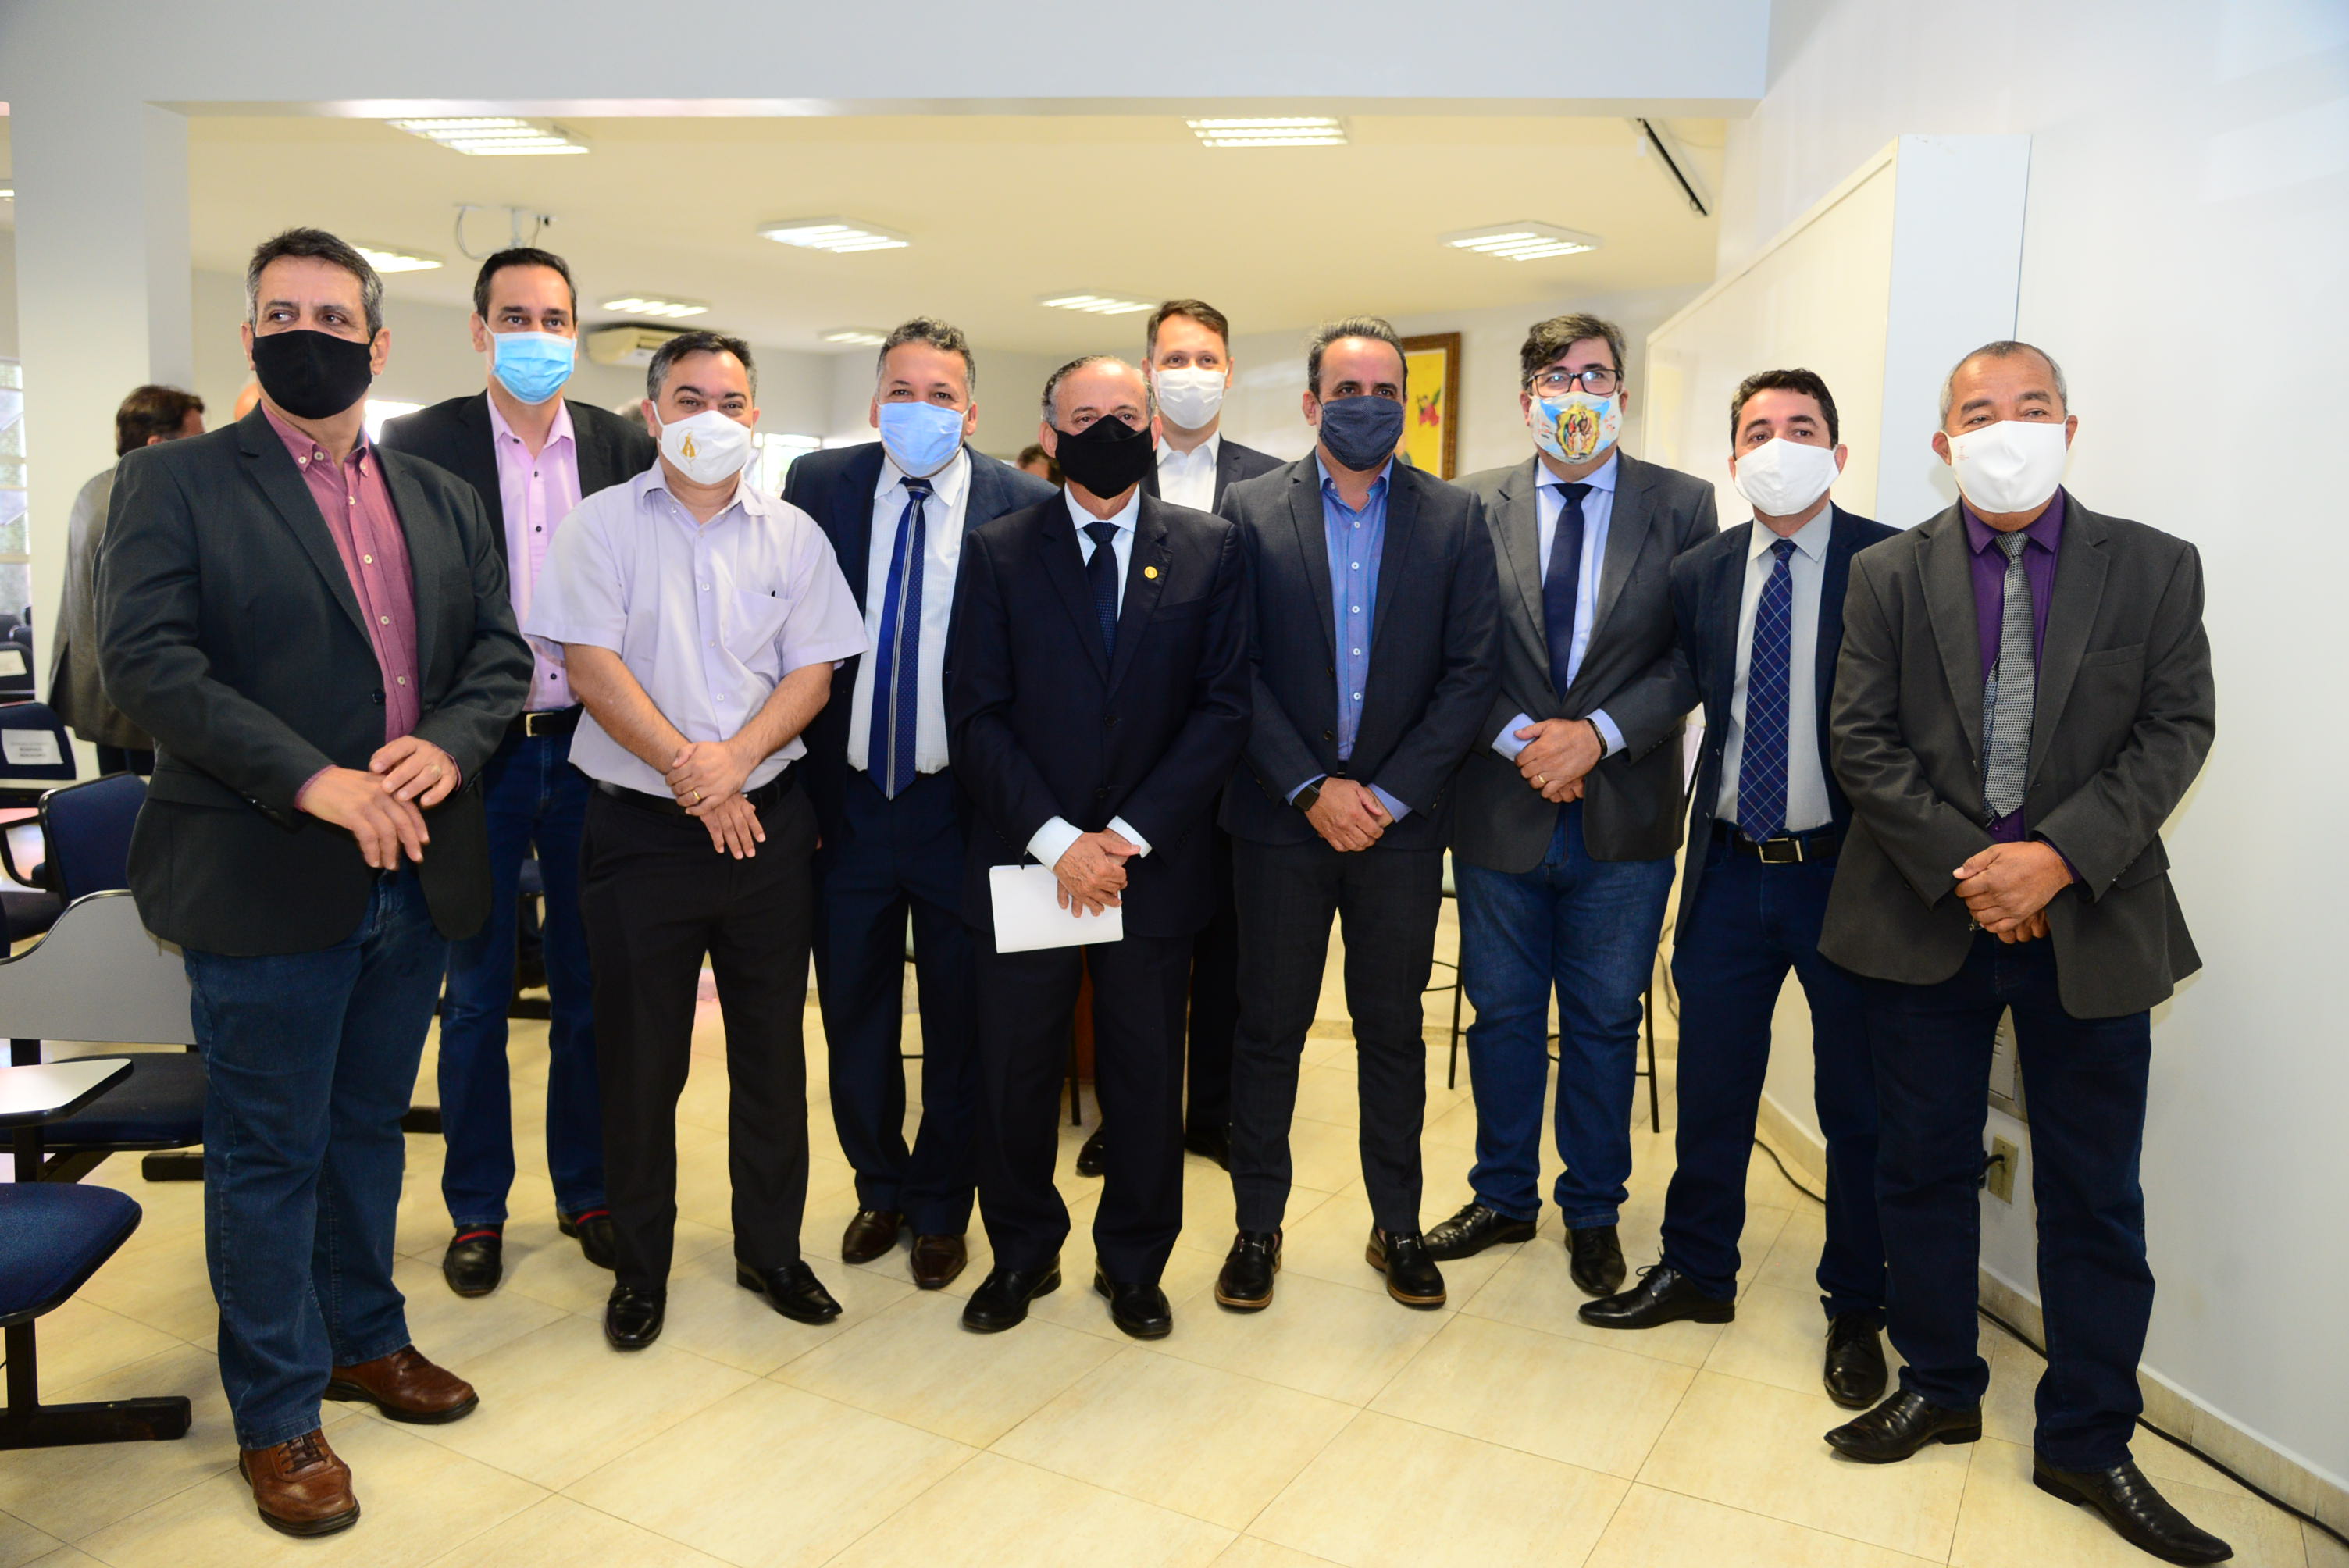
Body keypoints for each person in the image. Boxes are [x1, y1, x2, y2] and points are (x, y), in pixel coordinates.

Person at [99, 227, 529, 1537]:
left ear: (377, 344)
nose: (308, 334)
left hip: (415, 870)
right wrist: (312, 779)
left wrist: (446, 746)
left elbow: (500, 659)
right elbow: (150, 664)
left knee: (364, 1129)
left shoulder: (439, 497)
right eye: (281, 314)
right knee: (269, 1152)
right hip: (266, 868)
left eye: (334, 317)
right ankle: (279, 1410)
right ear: (248, 336)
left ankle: (365, 1338)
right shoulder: (173, 483)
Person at [1820, 342, 2226, 1566]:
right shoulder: (1887, 574)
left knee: (2096, 1195)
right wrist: (1978, 871)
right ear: (1943, 442)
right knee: (1920, 1169)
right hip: (1923, 917)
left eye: (2031, 407)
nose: (2008, 429)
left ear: (2070, 427)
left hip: (2093, 919)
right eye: (1980, 412)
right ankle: (1940, 1385)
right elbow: (1862, 741)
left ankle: (2088, 1439)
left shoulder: (2153, 565)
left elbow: (2176, 730)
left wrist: (2053, 859)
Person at [525, 330, 868, 1352]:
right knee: (639, 1063)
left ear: (755, 416)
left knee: (772, 1056)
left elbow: (814, 672)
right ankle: (640, 1268)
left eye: (730, 401)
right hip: (639, 832)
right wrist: (692, 770)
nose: (710, 418)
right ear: (651, 414)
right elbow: (592, 668)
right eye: (687, 398)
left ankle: (772, 1251)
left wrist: (734, 763)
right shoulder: (598, 527)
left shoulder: (794, 537)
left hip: (768, 826)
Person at [1577, 369, 1895, 1410]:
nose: (1778, 444)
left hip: (1846, 878)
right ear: (1734, 458)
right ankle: (1697, 1268)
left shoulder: (1887, 562)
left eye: (1801, 428)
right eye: (1759, 430)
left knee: (1857, 1104)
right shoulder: (1702, 570)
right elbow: (1682, 692)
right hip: (1726, 870)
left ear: (1836, 453)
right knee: (1712, 1087)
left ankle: (1858, 1303)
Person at [948, 355, 1247, 1340]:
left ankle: (1133, 1265)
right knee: (1015, 1071)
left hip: (1149, 864)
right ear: (1050, 431)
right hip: (1027, 858)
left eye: (1125, 412)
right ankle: (1021, 1253)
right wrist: (1057, 841)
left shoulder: (1208, 547)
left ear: (1152, 427)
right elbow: (976, 713)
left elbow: (1221, 708)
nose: (1107, 430)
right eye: (1084, 416)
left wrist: (1121, 837)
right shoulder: (997, 550)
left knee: (1144, 1072)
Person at [380, 247, 656, 1298]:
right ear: (479, 329)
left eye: (554, 318)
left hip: (595, 752)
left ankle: (586, 1192)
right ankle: (477, 1209)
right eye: (515, 317)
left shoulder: (623, 447)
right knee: (476, 995)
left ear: (575, 331)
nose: (536, 335)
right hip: (477, 758)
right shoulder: (420, 443)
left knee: (591, 989)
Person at [1213, 316, 1497, 1313]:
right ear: (1310, 403)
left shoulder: (1455, 518)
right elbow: (1232, 667)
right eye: (1346, 390)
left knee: (1390, 1030)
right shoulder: (1249, 511)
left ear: (1405, 406)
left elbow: (1469, 674)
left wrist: (1382, 795)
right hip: (1277, 821)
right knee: (1267, 1031)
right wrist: (1308, 786)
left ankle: (1397, 1226)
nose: (1365, 406)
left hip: (1400, 830)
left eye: (1384, 391)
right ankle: (1256, 1227)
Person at [1431, 314, 1717, 1296]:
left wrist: (1594, 734)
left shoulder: (1681, 505)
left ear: (1621, 396)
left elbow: (1690, 657)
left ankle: (1592, 1210)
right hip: (1497, 804)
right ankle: (1503, 1197)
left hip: (1623, 815)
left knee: (1601, 1020)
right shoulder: (1468, 504)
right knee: (1501, 1015)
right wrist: (1525, 740)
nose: (1577, 392)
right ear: (1527, 400)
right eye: (1557, 376)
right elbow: (1449, 649)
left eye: (1595, 375)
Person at [786, 319, 1056, 1290]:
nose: (919, 408)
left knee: (961, 1018)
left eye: (940, 394)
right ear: (874, 404)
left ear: (971, 412)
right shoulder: (817, 486)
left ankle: (943, 1203)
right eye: (901, 390)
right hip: (846, 803)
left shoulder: (1024, 503)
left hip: (963, 808)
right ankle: (879, 1186)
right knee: (852, 1010)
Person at [1076, 298, 1282, 1181]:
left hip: (1241, 770)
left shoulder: (1274, 484)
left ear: (1229, 373)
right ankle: (1130, 1122)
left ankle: (1215, 1115)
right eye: (1173, 358)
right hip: (1131, 774)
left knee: (1230, 959)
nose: (1189, 374)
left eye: (1206, 359)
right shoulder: (1107, 469)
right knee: (1134, 966)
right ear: (1147, 371)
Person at [50, 384, 205, 775]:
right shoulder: (142, 498)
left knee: (117, 797)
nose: (205, 450)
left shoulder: (96, 488)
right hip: (137, 697)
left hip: (99, 691)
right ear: (156, 443)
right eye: (196, 439)